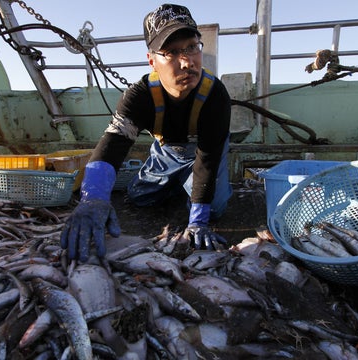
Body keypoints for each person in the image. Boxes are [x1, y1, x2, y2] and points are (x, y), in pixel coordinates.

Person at [60, 3, 233, 262]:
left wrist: (197, 221)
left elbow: (207, 160)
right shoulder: (139, 96)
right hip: (166, 154)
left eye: (192, 47)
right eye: (172, 52)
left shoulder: (216, 95)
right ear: (152, 60)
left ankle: (187, 190)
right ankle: (175, 184)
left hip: (205, 154)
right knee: (139, 198)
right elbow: (113, 143)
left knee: (214, 208)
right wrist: (93, 197)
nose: (187, 62)